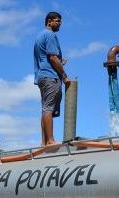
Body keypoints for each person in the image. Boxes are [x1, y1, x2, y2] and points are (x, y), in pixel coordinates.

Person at [33, 11, 71, 146]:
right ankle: (50, 141)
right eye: (57, 20)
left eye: (60, 21)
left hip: (42, 76)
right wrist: (64, 76)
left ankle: (44, 142)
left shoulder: (39, 36)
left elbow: (47, 58)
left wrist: (60, 62)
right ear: (49, 21)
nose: (59, 23)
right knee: (48, 108)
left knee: (45, 108)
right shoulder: (50, 35)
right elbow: (52, 58)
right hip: (50, 76)